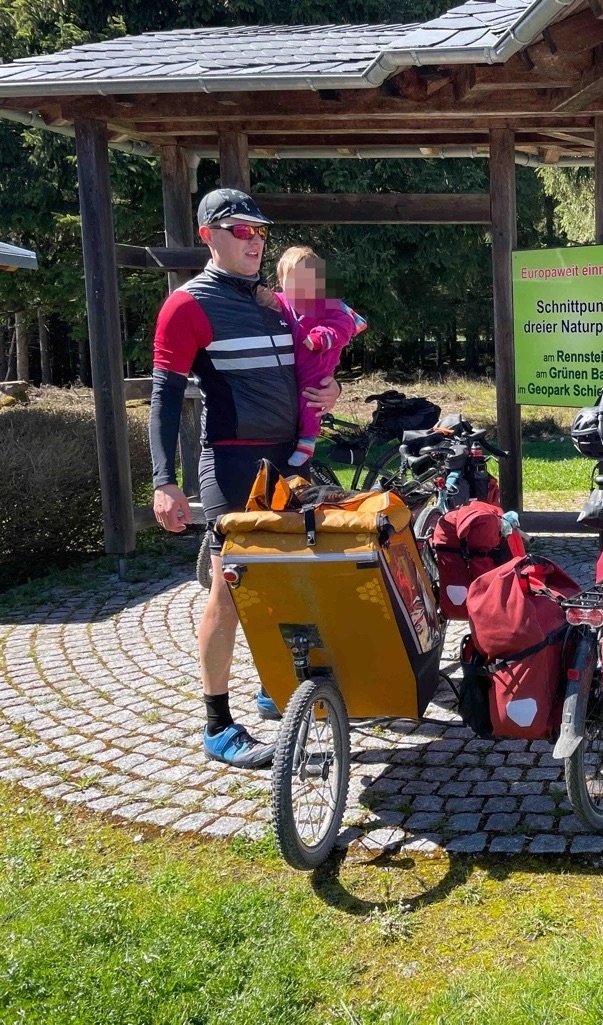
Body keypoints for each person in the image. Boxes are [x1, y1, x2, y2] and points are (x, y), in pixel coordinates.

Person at [149, 188, 340, 769]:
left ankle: (275, 688)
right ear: (207, 235)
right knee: (229, 592)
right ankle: (217, 725)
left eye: (260, 231)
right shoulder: (187, 305)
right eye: (240, 231)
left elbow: (310, 370)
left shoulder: (272, 302)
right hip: (232, 466)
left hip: (291, 461)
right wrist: (163, 480)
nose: (254, 241)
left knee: (294, 580)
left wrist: (330, 391)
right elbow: (164, 398)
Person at [270, 246, 366, 467]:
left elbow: (342, 326)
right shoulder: (279, 303)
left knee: (311, 399)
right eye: (292, 282)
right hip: (288, 378)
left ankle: (308, 440)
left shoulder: (326, 305)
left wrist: (320, 339)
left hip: (316, 364)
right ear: (282, 282)